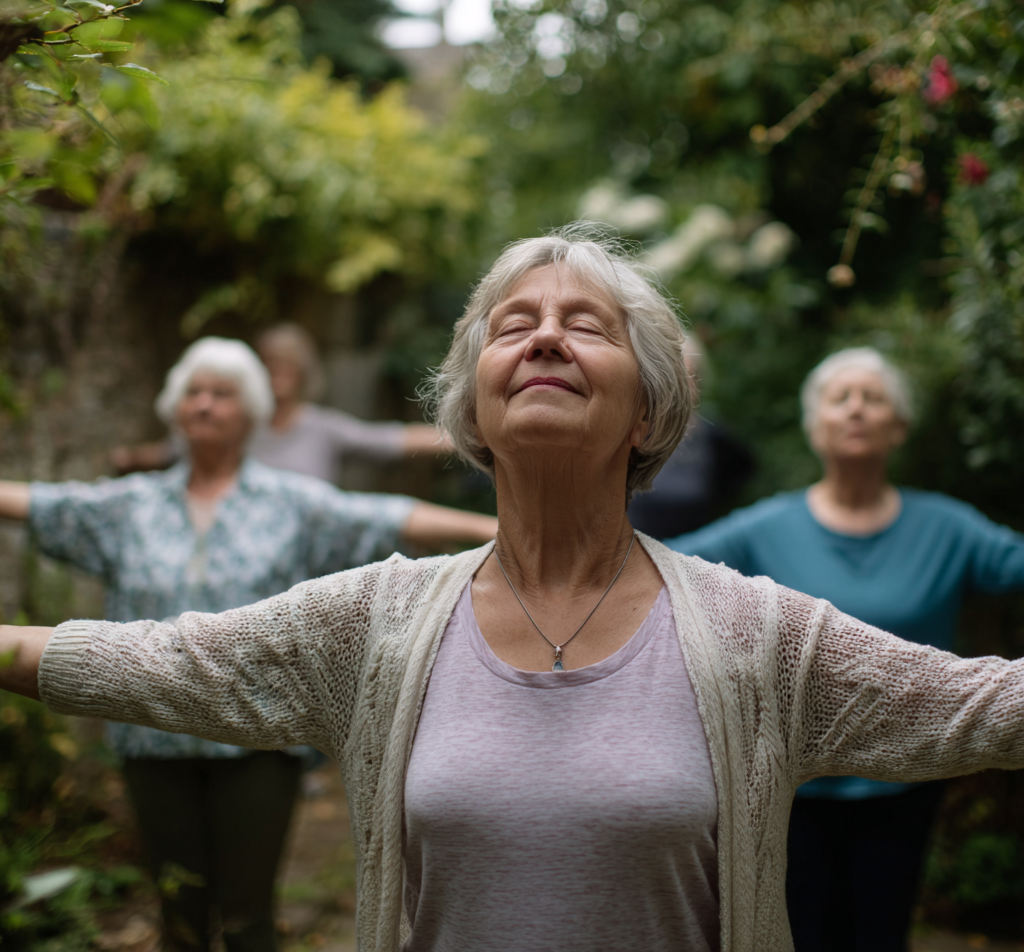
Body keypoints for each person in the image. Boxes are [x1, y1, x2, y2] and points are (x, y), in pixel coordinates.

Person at [4, 234, 1024, 952]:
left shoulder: (755, 633)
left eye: (585, 325)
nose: (543, 338)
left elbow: (981, 703)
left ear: (647, 410)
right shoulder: (375, 623)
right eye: (515, 324)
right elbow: (165, 660)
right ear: (475, 409)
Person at [0, 336, 495, 952]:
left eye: (222, 393)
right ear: (175, 408)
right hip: (149, 733)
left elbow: (391, 518)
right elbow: (39, 505)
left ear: (252, 412)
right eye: (193, 392)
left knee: (247, 919)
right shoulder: (128, 506)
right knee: (178, 914)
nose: (205, 404)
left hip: (258, 734)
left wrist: (500, 531)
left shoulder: (289, 503)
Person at [664, 346, 1024, 952]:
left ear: (898, 426)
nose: (856, 409)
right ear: (816, 425)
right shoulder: (765, 528)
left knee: (881, 932)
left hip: (906, 780)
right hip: (790, 784)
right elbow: (659, 563)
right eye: (840, 398)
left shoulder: (948, 528)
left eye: (873, 398)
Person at [111, 322, 451, 482]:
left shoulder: (323, 429)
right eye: (270, 362)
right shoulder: (234, 427)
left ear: (304, 372)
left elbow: (392, 439)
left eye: (289, 363)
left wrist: (464, 439)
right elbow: (171, 450)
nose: (279, 371)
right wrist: (126, 459)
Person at [628, 333, 755, 538]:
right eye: (674, 378)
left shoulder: (712, 438)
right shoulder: (625, 434)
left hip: (691, 551)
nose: (683, 389)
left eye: (690, 378)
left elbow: (743, 469)